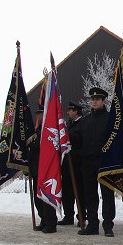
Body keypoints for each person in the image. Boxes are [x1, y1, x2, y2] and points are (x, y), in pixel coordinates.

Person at [75, 87, 116, 236]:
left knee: (107, 195)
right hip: (88, 162)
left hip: (104, 162)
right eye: (92, 99)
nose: (94, 101)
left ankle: (108, 225)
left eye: (97, 99)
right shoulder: (85, 121)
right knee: (90, 194)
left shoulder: (111, 120)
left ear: (103, 101)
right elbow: (77, 141)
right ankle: (92, 224)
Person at [29, 105, 57, 233]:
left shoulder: (48, 130)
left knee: (46, 197)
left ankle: (50, 222)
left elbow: (42, 145)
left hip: (45, 169)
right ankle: (44, 220)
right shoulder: (37, 129)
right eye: (37, 114)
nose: (37, 116)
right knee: (38, 198)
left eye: (40, 114)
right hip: (36, 169)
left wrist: (31, 142)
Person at [58, 100, 85, 226]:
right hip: (67, 164)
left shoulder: (83, 124)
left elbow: (81, 141)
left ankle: (81, 217)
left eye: (70, 110)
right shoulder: (69, 124)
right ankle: (68, 216)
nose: (68, 112)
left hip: (78, 163)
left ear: (76, 111)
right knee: (67, 192)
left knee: (79, 191)